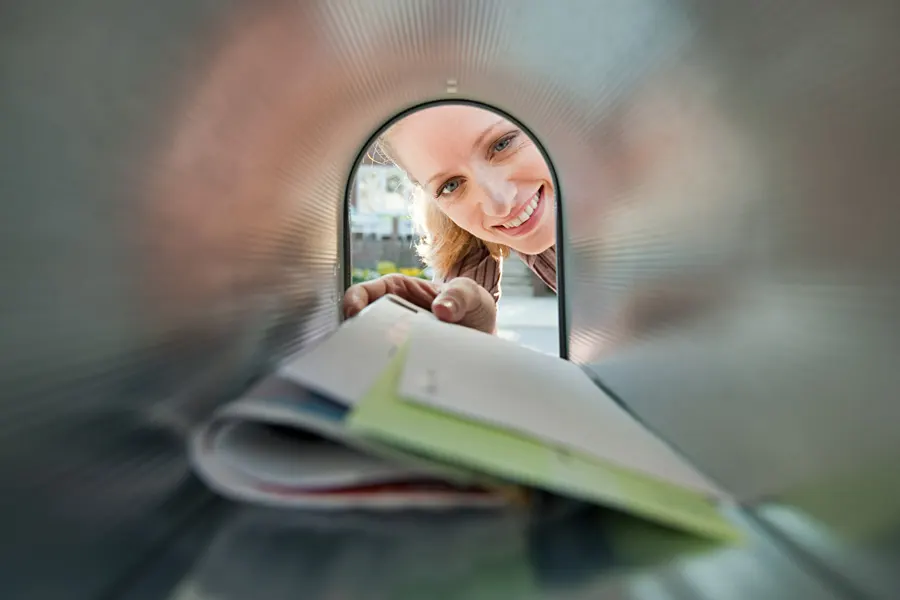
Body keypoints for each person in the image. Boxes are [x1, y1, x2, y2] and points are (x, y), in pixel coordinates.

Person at [343, 104, 557, 334]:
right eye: (451, 185)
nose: (500, 205)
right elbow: (462, 340)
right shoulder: (465, 233)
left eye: (502, 144)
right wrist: (465, 338)